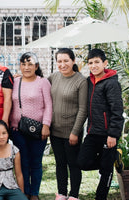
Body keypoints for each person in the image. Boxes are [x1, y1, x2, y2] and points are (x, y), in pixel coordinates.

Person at [77, 48, 124, 200]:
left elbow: (117, 111)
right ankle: (113, 158)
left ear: (105, 63)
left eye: (97, 62)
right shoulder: (89, 81)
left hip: (107, 134)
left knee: (106, 170)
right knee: (82, 162)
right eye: (90, 63)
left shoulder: (111, 84)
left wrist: (113, 134)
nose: (93, 66)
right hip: (92, 132)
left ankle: (100, 197)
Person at [10, 52, 52, 200]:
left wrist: (46, 125)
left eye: (30, 64)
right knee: (22, 162)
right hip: (17, 130)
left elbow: (49, 105)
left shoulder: (43, 82)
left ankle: (34, 193)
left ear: (36, 66)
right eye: (23, 64)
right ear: (20, 66)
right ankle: (25, 191)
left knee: (35, 162)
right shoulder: (15, 82)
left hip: (38, 130)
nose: (26, 67)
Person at [48, 48, 87, 200]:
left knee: (73, 164)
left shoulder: (81, 81)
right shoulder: (54, 77)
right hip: (55, 130)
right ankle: (62, 193)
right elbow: (38, 83)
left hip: (72, 132)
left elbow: (83, 109)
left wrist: (75, 132)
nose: (62, 64)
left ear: (73, 61)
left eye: (66, 61)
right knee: (60, 164)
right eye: (59, 61)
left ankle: (74, 195)